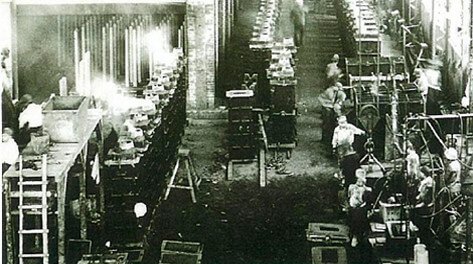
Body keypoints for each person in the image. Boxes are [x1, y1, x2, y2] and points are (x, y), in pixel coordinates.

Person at [348, 169, 372, 247]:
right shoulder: (352, 187)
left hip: (362, 209)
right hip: (353, 208)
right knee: (354, 221)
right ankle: (354, 236)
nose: (359, 181)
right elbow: (349, 195)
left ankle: (361, 238)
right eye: (358, 179)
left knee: (362, 222)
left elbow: (368, 200)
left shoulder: (367, 189)